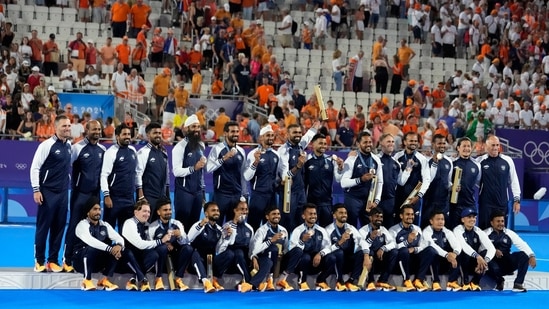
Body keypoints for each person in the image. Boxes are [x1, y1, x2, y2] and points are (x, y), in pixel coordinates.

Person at [62, 120, 106, 273]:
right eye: (94, 129)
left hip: (95, 195)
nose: (97, 132)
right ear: (86, 130)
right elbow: (64, 166)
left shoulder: (102, 149)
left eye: (99, 129)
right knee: (74, 226)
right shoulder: (77, 148)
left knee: (93, 227)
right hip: (80, 194)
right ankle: (66, 260)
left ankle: (85, 259)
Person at [30, 115, 71, 273]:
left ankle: (53, 260)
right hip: (47, 192)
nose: (67, 129)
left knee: (59, 228)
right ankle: (39, 261)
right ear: (56, 128)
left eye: (68, 126)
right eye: (64, 126)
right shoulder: (46, 145)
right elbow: (35, 168)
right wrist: (36, 189)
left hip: (62, 194)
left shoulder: (69, 146)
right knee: (43, 228)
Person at [73, 196, 141, 291]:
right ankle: (86, 280)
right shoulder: (82, 225)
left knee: (122, 250)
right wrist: (110, 249)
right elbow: (91, 241)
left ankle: (104, 280)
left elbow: (119, 238)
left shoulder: (104, 225)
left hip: (97, 263)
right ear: (88, 212)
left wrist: (119, 246)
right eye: (95, 209)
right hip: (80, 262)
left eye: (99, 209)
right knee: (91, 248)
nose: (98, 212)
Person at [277, 203, 336, 292]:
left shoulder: (321, 230)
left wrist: (320, 254)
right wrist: (302, 241)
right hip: (301, 263)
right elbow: (294, 251)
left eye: (315, 214)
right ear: (303, 216)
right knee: (305, 256)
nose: (313, 216)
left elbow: (328, 247)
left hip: (316, 262)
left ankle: (320, 280)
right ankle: (303, 281)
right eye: (310, 214)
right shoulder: (298, 230)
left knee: (332, 257)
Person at [277, 122, 320, 231]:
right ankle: (284, 246)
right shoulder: (283, 150)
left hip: (301, 191)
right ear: (287, 134)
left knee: (301, 221)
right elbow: (285, 177)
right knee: (287, 221)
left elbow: (309, 135)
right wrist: (298, 166)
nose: (298, 135)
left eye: (300, 132)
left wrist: (319, 121)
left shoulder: (300, 145)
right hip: (288, 192)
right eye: (295, 132)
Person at [122, 199, 172, 291]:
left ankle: (134, 280)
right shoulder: (129, 223)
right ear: (136, 212)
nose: (147, 214)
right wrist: (161, 241)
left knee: (155, 254)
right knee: (128, 252)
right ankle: (143, 279)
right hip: (126, 261)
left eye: (149, 212)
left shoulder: (147, 225)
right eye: (144, 211)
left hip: (140, 260)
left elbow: (149, 244)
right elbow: (140, 244)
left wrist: (167, 242)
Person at [148, 197, 193, 291]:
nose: (168, 212)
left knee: (188, 248)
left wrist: (180, 236)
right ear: (158, 212)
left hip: (175, 257)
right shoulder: (152, 227)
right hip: (160, 260)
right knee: (162, 248)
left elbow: (186, 241)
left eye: (170, 209)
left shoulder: (177, 224)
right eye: (165, 210)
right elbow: (149, 246)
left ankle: (178, 278)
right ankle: (158, 278)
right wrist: (163, 243)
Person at [485, 210, 537, 292]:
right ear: (492, 223)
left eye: (502, 221)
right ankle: (499, 281)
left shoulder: (509, 233)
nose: (501, 223)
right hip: (491, 265)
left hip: (506, 263)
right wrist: (494, 250)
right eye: (498, 221)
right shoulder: (485, 233)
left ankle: (518, 284)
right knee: (483, 255)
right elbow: (480, 249)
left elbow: (522, 244)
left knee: (523, 255)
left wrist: (531, 255)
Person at [206, 121, 247, 223]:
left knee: (233, 225)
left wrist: (244, 193)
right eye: (233, 131)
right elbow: (208, 168)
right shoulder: (217, 149)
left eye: (237, 131)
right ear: (225, 133)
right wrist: (224, 158)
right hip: (221, 194)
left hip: (236, 194)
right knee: (217, 224)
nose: (236, 134)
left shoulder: (241, 151)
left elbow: (243, 174)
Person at [389, 204, 436, 291]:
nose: (410, 216)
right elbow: (392, 247)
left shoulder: (417, 228)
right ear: (401, 216)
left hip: (414, 259)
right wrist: (408, 241)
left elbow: (423, 245)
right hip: (400, 262)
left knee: (431, 250)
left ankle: (418, 280)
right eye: (407, 214)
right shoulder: (393, 230)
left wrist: (414, 249)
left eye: (412, 214)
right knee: (403, 251)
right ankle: (406, 280)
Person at [477, 135, 521, 229]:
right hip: (486, 204)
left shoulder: (507, 160)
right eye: (493, 145)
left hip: (502, 203)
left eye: (497, 145)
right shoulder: (480, 161)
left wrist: (517, 199)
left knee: (501, 231)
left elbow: (514, 180)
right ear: (486, 146)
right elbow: (475, 180)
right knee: (484, 232)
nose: (496, 148)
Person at [341, 132, 383, 227]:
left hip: (368, 200)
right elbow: (343, 183)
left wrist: (376, 200)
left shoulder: (376, 159)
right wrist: (361, 179)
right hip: (353, 199)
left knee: (369, 228)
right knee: (351, 228)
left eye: (370, 142)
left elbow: (380, 182)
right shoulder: (352, 159)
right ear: (358, 144)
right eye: (365, 142)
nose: (368, 144)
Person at [171, 115, 206, 231]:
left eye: (198, 127)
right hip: (184, 192)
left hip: (198, 192)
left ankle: (191, 248)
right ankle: (179, 248)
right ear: (186, 129)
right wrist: (193, 168)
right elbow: (176, 171)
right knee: (181, 225)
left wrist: (203, 192)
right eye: (193, 126)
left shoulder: (201, 145)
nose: (196, 129)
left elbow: (201, 172)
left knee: (195, 225)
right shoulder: (179, 147)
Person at [100, 124, 138, 230]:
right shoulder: (111, 152)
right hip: (114, 198)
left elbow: (136, 173)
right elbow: (104, 175)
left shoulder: (133, 151)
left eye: (129, 134)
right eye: (124, 134)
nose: (127, 137)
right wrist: (106, 195)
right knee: (108, 230)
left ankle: (125, 247)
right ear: (117, 136)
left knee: (127, 232)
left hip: (130, 198)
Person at [244, 125, 280, 230]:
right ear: (261, 138)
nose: (270, 138)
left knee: (271, 226)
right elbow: (247, 176)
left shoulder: (276, 155)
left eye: (272, 135)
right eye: (268, 135)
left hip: (272, 196)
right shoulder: (253, 154)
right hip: (258, 195)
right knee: (253, 225)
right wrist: (255, 162)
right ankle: (250, 246)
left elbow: (277, 175)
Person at [304, 134, 344, 227]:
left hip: (327, 203)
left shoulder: (331, 160)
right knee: (310, 229)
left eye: (325, 144)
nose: (323, 146)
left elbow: (338, 179)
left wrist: (340, 168)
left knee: (327, 230)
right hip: (311, 203)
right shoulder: (306, 160)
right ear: (313, 144)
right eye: (320, 143)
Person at [325, 204, 366, 292]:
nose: (344, 215)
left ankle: (350, 281)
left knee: (362, 253)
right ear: (334, 215)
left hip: (348, 261)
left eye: (345, 213)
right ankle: (339, 281)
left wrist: (366, 255)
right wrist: (340, 241)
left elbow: (362, 241)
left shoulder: (350, 228)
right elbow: (326, 250)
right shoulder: (328, 230)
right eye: (341, 213)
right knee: (339, 253)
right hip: (335, 264)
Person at [215, 200, 255, 292]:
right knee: (236, 252)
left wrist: (253, 257)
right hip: (228, 261)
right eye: (241, 209)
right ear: (235, 211)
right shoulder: (226, 226)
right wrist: (234, 225)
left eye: (246, 209)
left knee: (241, 253)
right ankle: (248, 281)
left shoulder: (249, 229)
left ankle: (248, 281)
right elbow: (219, 250)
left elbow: (251, 248)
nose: (244, 212)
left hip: (242, 262)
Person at [393, 132, 431, 226]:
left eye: (415, 141)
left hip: (415, 198)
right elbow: (395, 178)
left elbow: (427, 179)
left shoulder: (422, 159)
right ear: (405, 142)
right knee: (397, 224)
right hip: (399, 197)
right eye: (411, 141)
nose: (413, 143)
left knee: (414, 225)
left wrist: (419, 196)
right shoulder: (397, 157)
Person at [453, 208, 496, 291]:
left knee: (486, 254)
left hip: (476, 263)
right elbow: (464, 246)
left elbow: (492, 248)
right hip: (461, 262)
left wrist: (485, 261)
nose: (472, 219)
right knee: (462, 252)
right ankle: (464, 282)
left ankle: (475, 282)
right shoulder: (458, 230)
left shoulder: (478, 231)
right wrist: (477, 256)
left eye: (474, 217)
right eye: (469, 217)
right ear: (462, 219)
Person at [248, 205, 289, 291]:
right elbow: (255, 250)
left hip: (278, 260)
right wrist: (270, 241)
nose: (277, 216)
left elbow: (287, 247)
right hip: (262, 259)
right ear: (267, 217)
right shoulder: (262, 230)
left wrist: (283, 253)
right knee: (272, 250)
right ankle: (268, 279)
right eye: (273, 214)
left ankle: (281, 280)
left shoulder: (283, 230)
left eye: (278, 214)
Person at [358, 207, 398, 291]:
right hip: (366, 260)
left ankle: (382, 281)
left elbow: (393, 243)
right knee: (370, 252)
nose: (379, 219)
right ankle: (370, 281)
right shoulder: (363, 230)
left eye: (381, 217)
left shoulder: (383, 230)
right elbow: (361, 247)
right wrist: (371, 238)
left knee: (394, 252)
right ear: (370, 218)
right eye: (376, 216)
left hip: (380, 258)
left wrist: (383, 248)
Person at [136, 122, 170, 222]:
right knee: (146, 225)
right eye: (155, 133)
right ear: (148, 135)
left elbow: (166, 176)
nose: (158, 135)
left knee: (159, 227)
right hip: (148, 196)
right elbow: (138, 175)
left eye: (159, 133)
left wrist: (167, 196)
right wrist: (141, 196)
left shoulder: (164, 152)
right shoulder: (143, 152)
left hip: (162, 197)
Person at [422, 210, 462, 291]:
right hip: (430, 262)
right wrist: (447, 255)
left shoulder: (447, 231)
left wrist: (454, 253)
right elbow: (433, 245)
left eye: (442, 219)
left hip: (445, 260)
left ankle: (452, 282)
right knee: (432, 251)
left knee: (458, 252)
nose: (441, 222)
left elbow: (457, 245)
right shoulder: (426, 231)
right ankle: (435, 281)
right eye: (438, 219)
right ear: (431, 221)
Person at [187, 201, 222, 293]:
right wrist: (201, 224)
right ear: (206, 213)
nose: (216, 212)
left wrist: (228, 237)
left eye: (218, 210)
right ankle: (205, 282)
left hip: (210, 262)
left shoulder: (219, 229)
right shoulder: (199, 225)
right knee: (194, 253)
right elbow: (188, 239)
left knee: (229, 254)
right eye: (213, 210)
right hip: (195, 262)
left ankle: (214, 279)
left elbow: (220, 249)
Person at [421, 134, 453, 228]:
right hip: (429, 202)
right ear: (433, 144)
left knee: (444, 229)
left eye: (444, 143)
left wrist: (453, 187)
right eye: (439, 143)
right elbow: (427, 180)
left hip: (443, 203)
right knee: (426, 227)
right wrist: (434, 162)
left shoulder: (449, 161)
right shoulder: (426, 160)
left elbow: (448, 181)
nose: (442, 145)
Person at [449, 137, 480, 229]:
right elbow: (447, 181)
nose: (467, 148)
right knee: (453, 231)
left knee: (470, 231)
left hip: (469, 202)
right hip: (454, 204)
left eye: (469, 146)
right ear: (458, 148)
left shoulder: (477, 165)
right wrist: (451, 187)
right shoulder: (452, 162)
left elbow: (478, 181)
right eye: (464, 146)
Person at [377, 133, 402, 227]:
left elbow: (400, 182)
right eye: (388, 141)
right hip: (377, 201)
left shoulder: (396, 163)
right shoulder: (375, 159)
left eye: (392, 142)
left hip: (390, 202)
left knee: (389, 228)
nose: (391, 143)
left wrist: (408, 170)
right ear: (381, 143)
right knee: (375, 228)